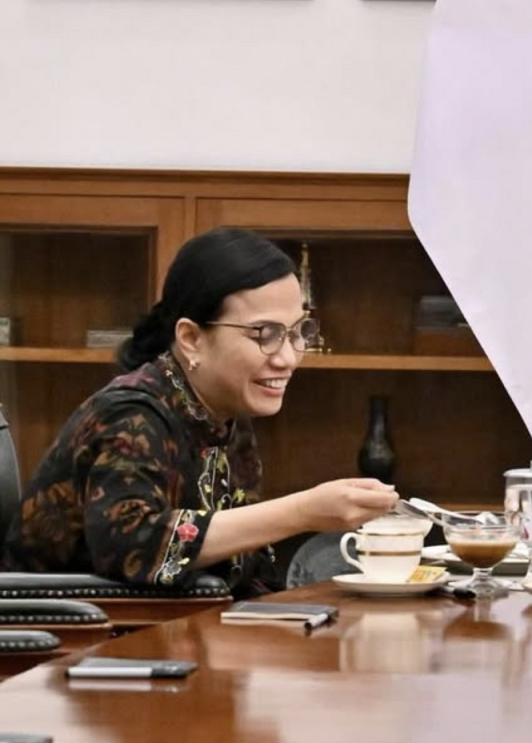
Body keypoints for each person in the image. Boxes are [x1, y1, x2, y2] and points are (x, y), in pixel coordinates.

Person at [4, 228, 400, 596]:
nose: (288, 358)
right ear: (191, 339)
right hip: (72, 648)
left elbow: (248, 568)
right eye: (265, 334)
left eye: (298, 332)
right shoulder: (131, 415)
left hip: (180, 636)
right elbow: (134, 546)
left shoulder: (226, 414)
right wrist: (303, 512)